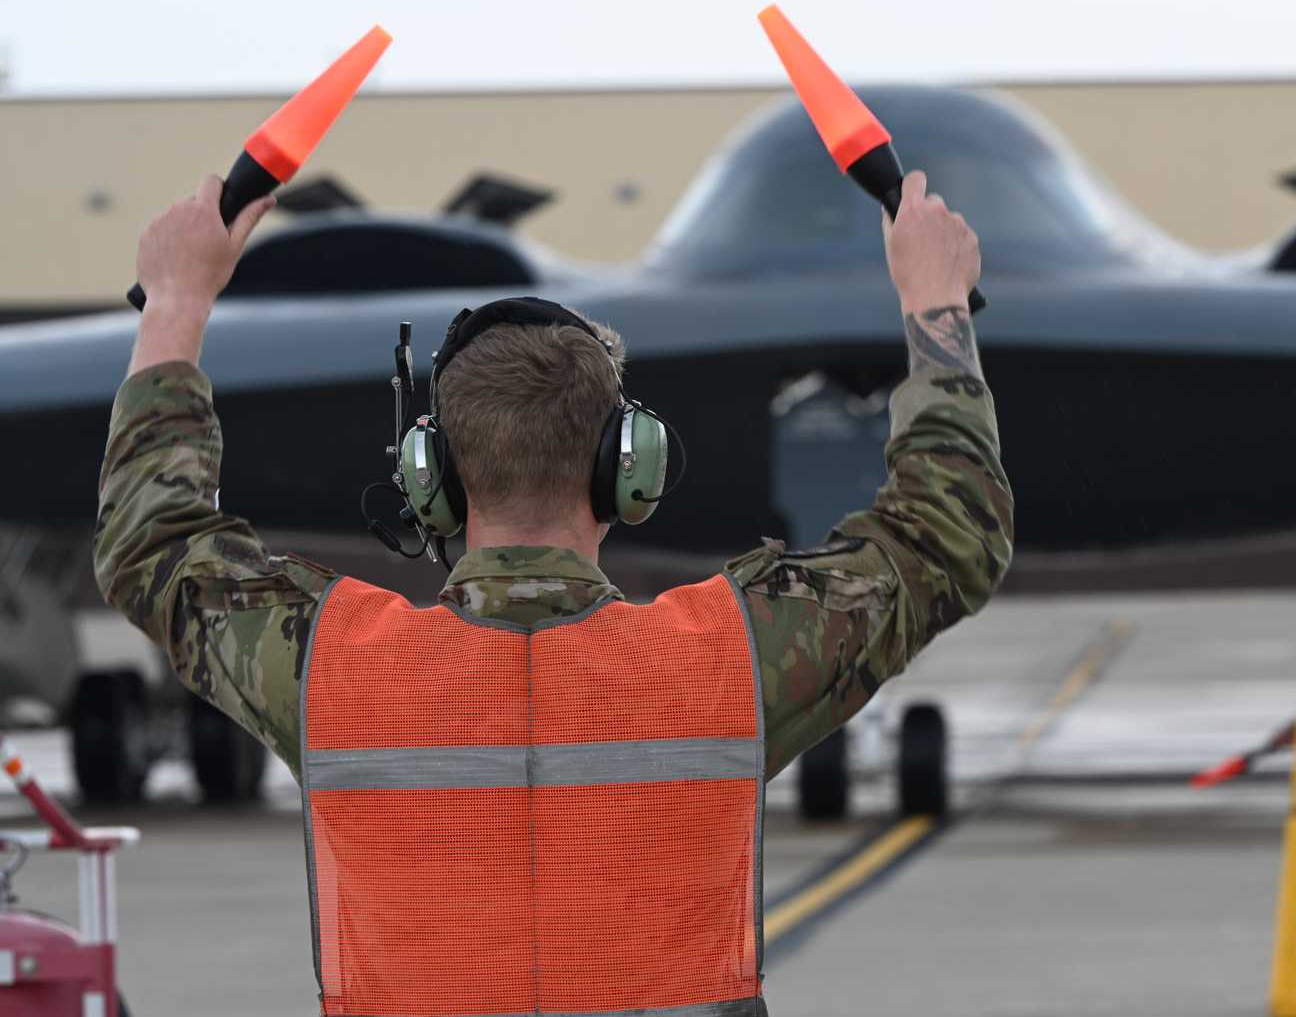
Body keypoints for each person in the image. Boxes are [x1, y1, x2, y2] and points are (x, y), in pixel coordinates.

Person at [94, 170, 1012, 1016]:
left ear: (434, 480)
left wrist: (177, 301)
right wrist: (935, 305)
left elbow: (153, 541)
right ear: (626, 470)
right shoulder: (731, 660)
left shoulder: (329, 668)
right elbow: (944, 531)